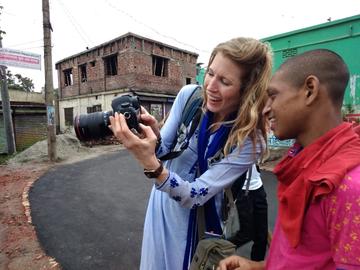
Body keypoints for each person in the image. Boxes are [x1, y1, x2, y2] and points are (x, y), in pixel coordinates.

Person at [109, 37, 273, 270]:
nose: (211, 86)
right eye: (210, 73)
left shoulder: (250, 141)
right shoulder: (190, 97)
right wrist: (151, 136)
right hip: (161, 205)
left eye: (225, 81)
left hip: (195, 222)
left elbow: (194, 195)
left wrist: (152, 166)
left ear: (247, 89)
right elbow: (164, 151)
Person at [217, 49, 360, 270]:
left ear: (310, 91)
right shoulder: (302, 160)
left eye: (273, 96)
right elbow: (306, 259)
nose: (265, 109)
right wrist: (258, 266)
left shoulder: (349, 187)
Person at [228, 164, 268, 261]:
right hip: (243, 192)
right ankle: (217, 248)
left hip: (258, 188)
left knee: (262, 236)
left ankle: (256, 265)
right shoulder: (234, 148)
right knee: (246, 234)